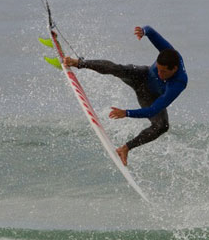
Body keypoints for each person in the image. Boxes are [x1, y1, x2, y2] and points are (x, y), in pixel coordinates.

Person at [64, 25, 187, 166]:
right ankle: (78, 62)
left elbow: (153, 110)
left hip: (149, 97)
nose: (160, 74)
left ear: (175, 69)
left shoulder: (178, 83)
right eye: (158, 69)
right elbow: (151, 31)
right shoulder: (169, 52)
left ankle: (125, 148)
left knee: (162, 126)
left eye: (164, 72)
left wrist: (126, 113)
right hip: (142, 76)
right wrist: (143, 31)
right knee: (118, 69)